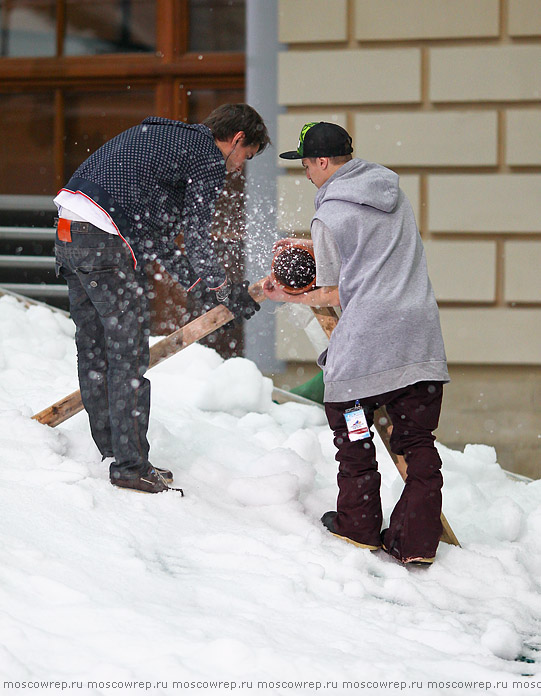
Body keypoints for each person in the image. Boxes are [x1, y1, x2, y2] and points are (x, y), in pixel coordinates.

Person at [54, 104, 269, 494]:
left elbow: (155, 237)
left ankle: (111, 451)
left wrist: (204, 285)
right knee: (127, 355)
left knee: (94, 349)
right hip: (104, 244)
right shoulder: (206, 156)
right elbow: (198, 234)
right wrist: (226, 290)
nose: (238, 168)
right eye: (246, 157)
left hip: (70, 234)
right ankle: (130, 466)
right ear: (237, 140)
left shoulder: (163, 140)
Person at [264, 121, 449, 565]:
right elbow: (376, 263)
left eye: (307, 164)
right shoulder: (393, 194)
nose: (306, 173)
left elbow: (335, 291)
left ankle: (358, 527)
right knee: (418, 442)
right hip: (420, 338)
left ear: (324, 163)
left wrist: (287, 294)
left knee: (353, 432)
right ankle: (416, 542)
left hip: (368, 343)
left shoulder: (328, 215)